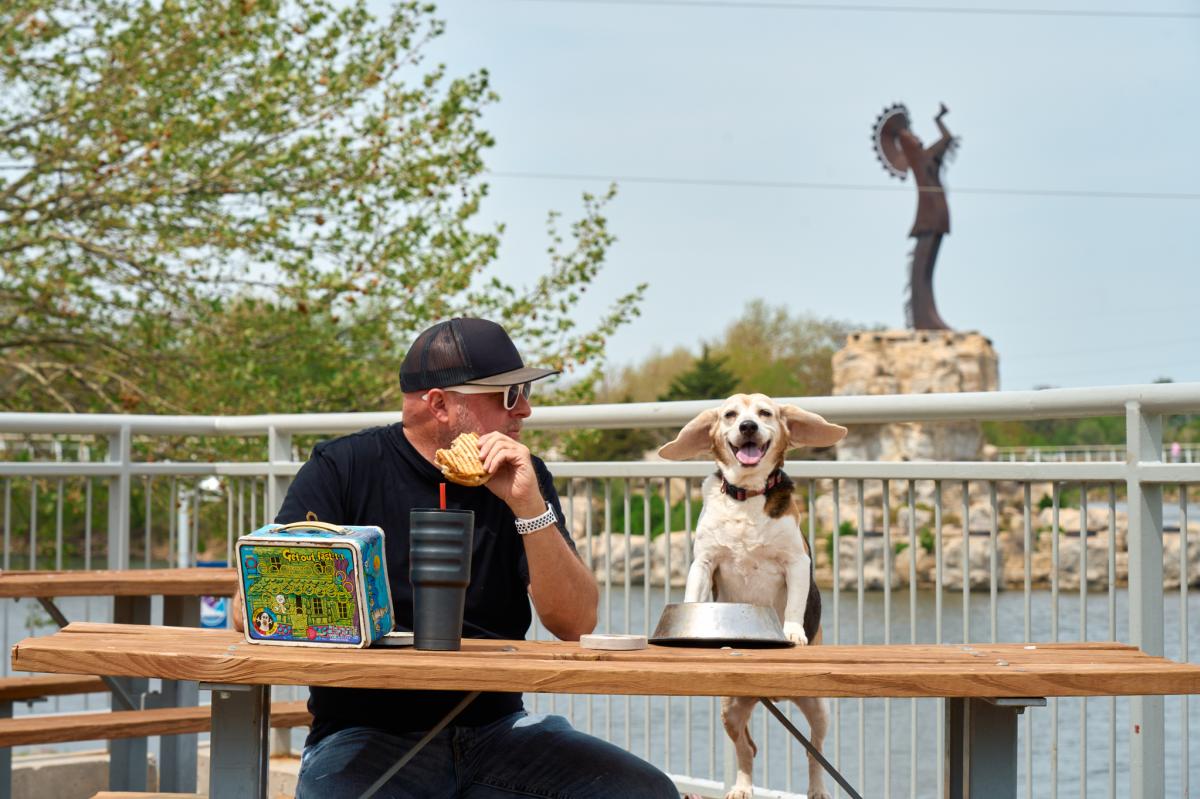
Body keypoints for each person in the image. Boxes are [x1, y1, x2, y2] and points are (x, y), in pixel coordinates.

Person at [234, 317, 680, 799]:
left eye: (524, 391)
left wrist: (528, 507)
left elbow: (576, 622)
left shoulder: (524, 475)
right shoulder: (344, 468)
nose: (525, 409)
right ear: (440, 404)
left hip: (497, 727)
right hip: (368, 728)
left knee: (645, 791)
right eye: (508, 395)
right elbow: (250, 607)